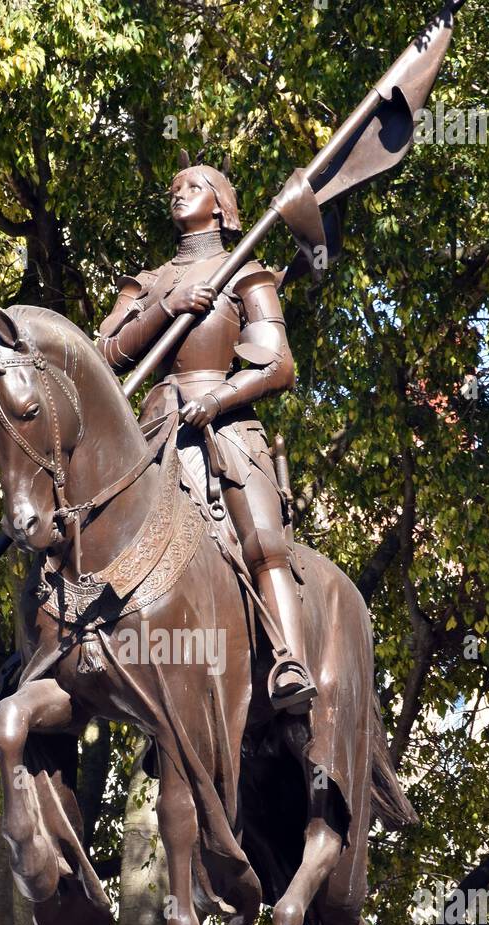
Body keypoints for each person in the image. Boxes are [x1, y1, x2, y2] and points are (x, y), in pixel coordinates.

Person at [97, 162, 316, 713]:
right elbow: (103, 355)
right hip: (148, 432)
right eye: (172, 189)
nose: (179, 196)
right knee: (84, 523)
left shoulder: (246, 272)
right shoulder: (147, 283)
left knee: (262, 540)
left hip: (225, 426)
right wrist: (168, 308)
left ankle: (289, 658)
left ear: (220, 203)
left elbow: (277, 365)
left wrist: (217, 398)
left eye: (193, 187)